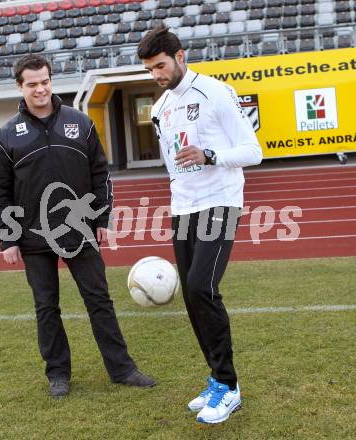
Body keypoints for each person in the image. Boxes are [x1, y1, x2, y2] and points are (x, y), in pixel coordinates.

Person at [0, 54, 155, 398]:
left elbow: (100, 173)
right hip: (33, 236)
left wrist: (104, 217)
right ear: (20, 87)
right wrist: (8, 238)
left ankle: (122, 369)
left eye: (45, 81)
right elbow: (0, 191)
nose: (40, 89)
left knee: (99, 301)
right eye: (32, 84)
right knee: (46, 307)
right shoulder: (6, 135)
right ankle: (58, 375)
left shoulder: (80, 122)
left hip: (79, 231)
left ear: (51, 81)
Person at [138, 26, 262, 424]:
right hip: (183, 208)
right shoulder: (160, 108)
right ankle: (216, 378)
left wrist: (209, 155)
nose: (156, 75)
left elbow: (252, 151)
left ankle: (228, 385)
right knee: (192, 297)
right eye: (149, 70)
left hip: (220, 202)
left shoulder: (215, 92)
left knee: (200, 287)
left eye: (160, 66)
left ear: (180, 56)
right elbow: (173, 166)